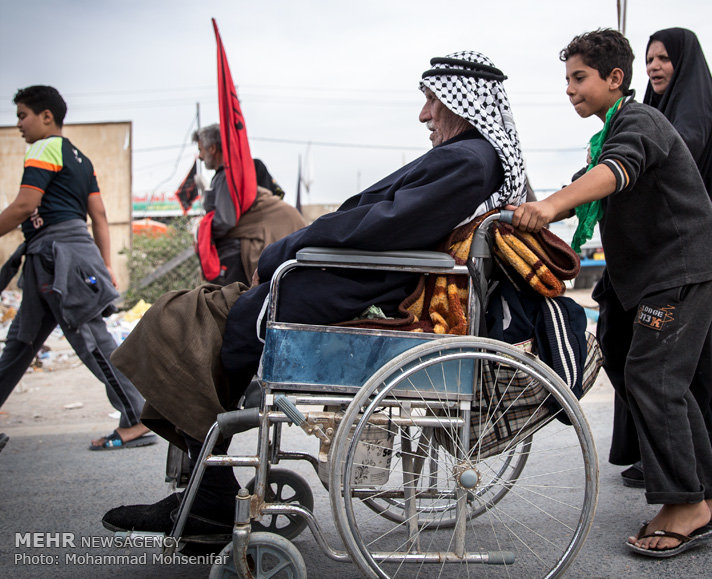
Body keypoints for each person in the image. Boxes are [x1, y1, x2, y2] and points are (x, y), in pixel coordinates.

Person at [102, 51, 527, 539]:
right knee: (183, 317)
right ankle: (207, 490)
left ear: (461, 103)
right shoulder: (465, 158)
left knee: (177, 319)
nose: (424, 113)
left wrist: (291, 247)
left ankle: (210, 495)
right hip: (335, 278)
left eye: (432, 100)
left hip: (341, 284)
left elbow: (382, 227)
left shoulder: (468, 160)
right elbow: (382, 223)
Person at [512, 29, 712, 558]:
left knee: (652, 376)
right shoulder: (606, 135)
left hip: (681, 271)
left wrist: (546, 209)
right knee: (664, 380)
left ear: (616, 78)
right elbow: (581, 185)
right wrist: (526, 211)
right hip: (666, 273)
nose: (570, 89)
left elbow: (613, 174)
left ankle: (684, 505)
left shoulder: (639, 123)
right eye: (566, 79)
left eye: (580, 77)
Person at [616, 28, 712, 489]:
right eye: (649, 59)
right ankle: (685, 466)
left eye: (664, 58)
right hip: (658, 259)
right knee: (651, 359)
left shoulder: (690, 108)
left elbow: (673, 151)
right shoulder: (648, 112)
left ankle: (692, 474)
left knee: (668, 367)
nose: (655, 66)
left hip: (685, 260)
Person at [0, 86, 153, 451]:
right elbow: (98, 216)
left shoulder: (43, 148)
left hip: (57, 257)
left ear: (46, 116)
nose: (19, 124)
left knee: (89, 337)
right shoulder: (82, 159)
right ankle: (135, 414)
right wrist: (105, 265)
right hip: (66, 255)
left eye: (23, 115)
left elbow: (25, 205)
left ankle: (136, 418)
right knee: (20, 342)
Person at [192, 125, 307, 285]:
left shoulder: (229, 176)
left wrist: (202, 230)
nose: (200, 156)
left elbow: (225, 220)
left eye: (201, 150)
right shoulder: (227, 175)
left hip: (255, 243)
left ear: (212, 148)